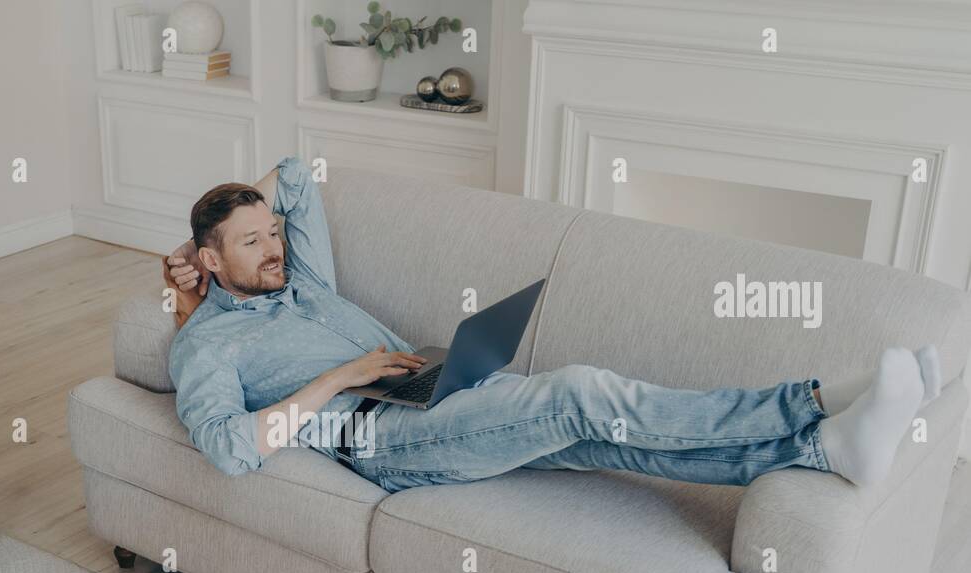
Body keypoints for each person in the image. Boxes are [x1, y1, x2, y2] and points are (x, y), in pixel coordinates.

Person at [164, 156, 940, 493]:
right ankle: (805, 405)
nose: (275, 249)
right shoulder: (208, 343)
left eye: (273, 234)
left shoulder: (302, 281)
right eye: (252, 243)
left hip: (423, 392)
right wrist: (341, 376)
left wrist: (217, 231)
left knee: (597, 435)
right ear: (211, 257)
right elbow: (229, 449)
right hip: (375, 436)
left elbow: (297, 175)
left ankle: (823, 447)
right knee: (578, 393)